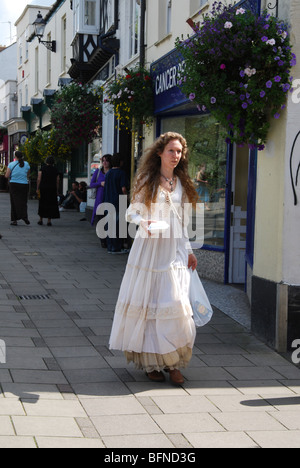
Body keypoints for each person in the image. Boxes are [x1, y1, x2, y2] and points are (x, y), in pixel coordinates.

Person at [109, 132, 200, 386]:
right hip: (149, 249)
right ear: (159, 152)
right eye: (171, 150)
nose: (176, 156)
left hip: (174, 251)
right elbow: (131, 212)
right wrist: (143, 221)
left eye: (179, 152)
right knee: (150, 306)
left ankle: (174, 364)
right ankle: (152, 362)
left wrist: (190, 250)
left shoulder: (180, 181)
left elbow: (182, 221)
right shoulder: (147, 178)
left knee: (176, 304)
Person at [103, 153, 129, 254]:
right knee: (118, 226)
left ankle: (110, 247)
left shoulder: (108, 173)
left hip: (108, 201)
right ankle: (117, 247)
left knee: (110, 226)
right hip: (119, 201)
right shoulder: (121, 173)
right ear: (120, 161)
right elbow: (123, 188)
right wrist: (127, 197)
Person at [5, 151, 30, 226]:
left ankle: (14, 220)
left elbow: (7, 175)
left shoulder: (11, 164)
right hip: (24, 185)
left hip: (14, 185)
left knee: (14, 202)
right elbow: (28, 174)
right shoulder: (26, 164)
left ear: (15, 156)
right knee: (23, 201)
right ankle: (24, 216)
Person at [36, 156, 60, 226]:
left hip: (43, 188)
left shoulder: (42, 169)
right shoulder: (55, 169)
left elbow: (39, 179)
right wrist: (57, 189)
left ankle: (41, 219)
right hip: (52, 188)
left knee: (42, 203)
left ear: (46, 162)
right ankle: (49, 221)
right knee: (51, 204)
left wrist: (37, 188)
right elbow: (57, 180)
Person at [90, 154, 112, 226]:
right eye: (103, 161)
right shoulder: (98, 171)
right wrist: (100, 183)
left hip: (109, 196)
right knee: (100, 216)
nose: (104, 163)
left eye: (107, 161)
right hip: (100, 196)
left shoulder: (112, 172)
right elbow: (91, 184)